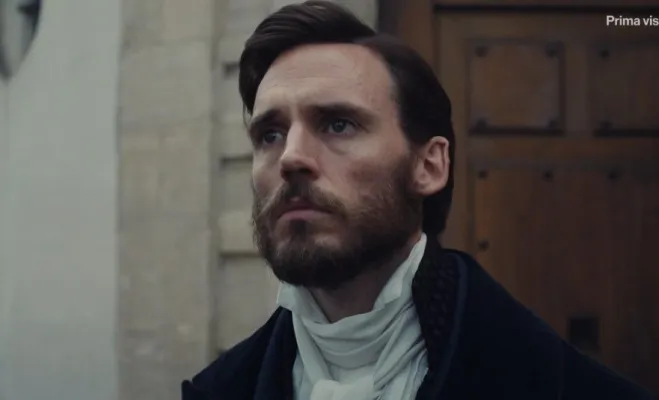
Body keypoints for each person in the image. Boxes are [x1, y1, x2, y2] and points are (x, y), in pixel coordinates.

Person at [181, 1, 653, 399]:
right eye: (270, 134)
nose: (291, 157)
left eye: (338, 124)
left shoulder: (561, 385)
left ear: (429, 166)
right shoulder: (219, 391)